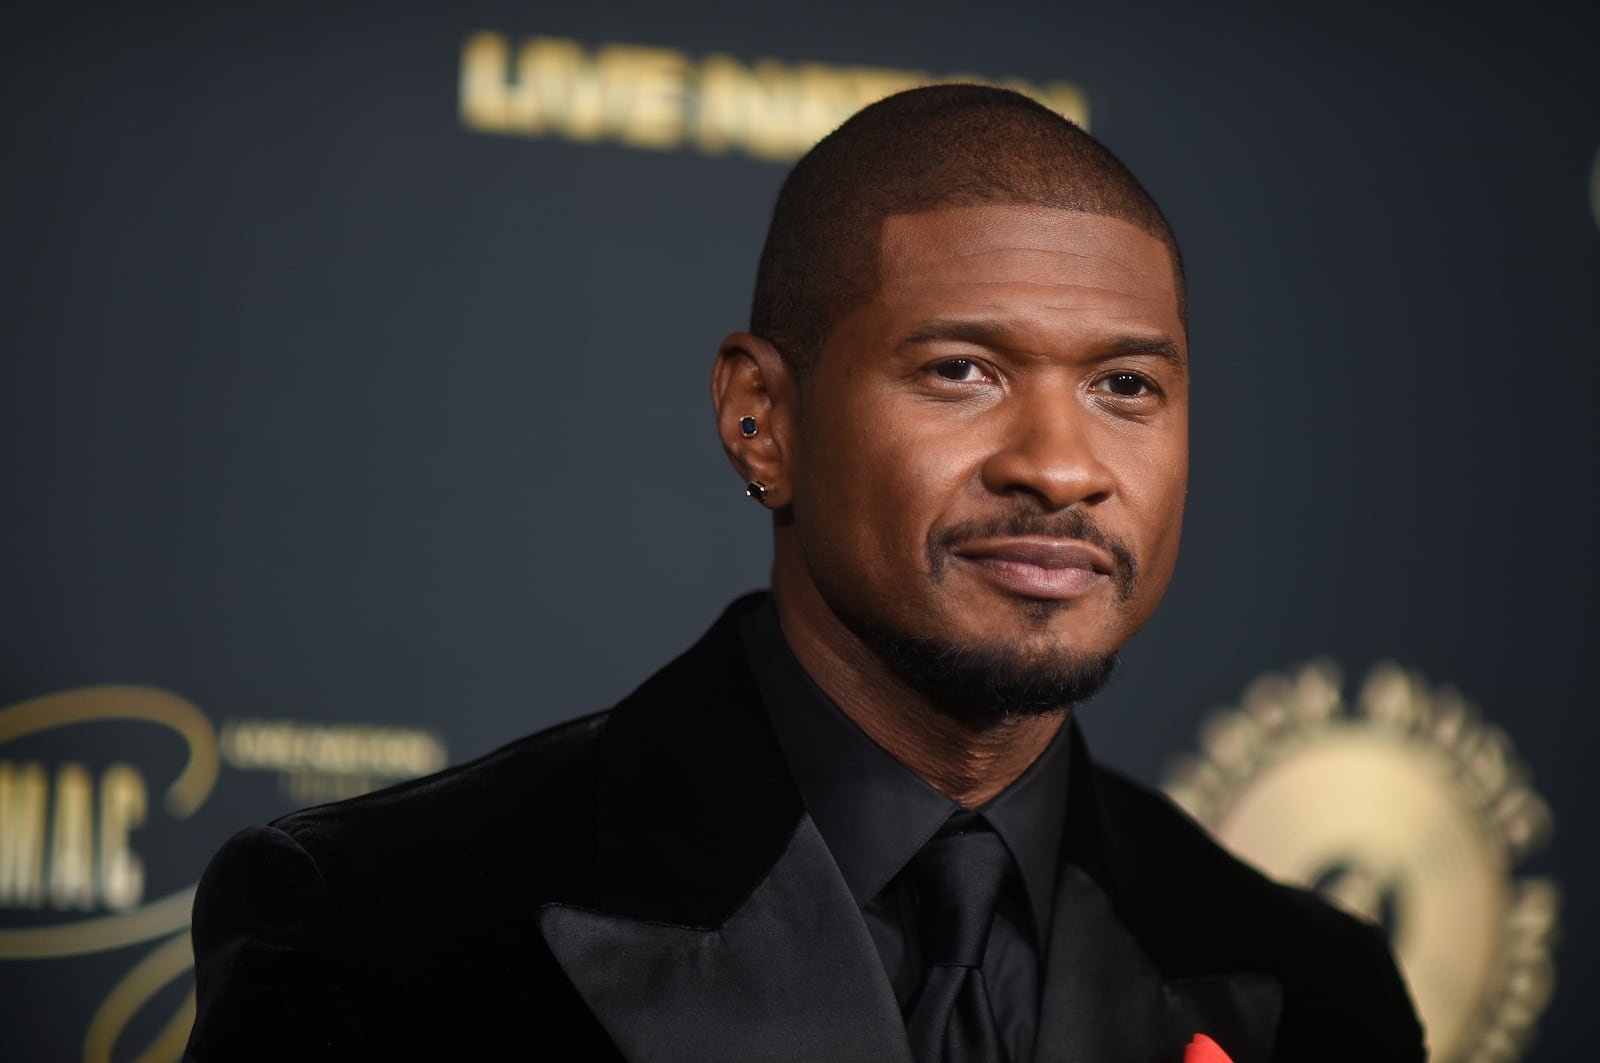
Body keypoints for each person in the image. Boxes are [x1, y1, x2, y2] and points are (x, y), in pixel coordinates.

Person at [182, 85, 1425, 1063]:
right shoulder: (377, 927)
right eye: (962, 370)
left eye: (1126, 387)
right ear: (759, 420)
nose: (1060, 466)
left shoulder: (1317, 986)